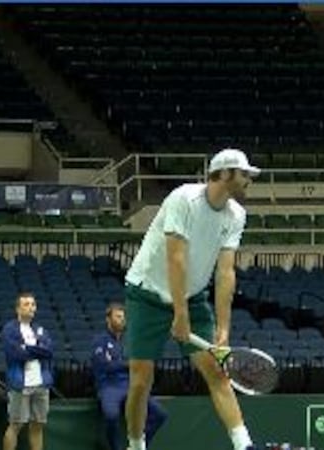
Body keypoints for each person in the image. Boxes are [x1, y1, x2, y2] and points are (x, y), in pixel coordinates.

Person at [124, 148, 260, 450]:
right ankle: (135, 444)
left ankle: (244, 446)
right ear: (225, 174)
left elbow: (225, 273)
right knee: (141, 380)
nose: (249, 179)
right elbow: (176, 259)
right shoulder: (183, 199)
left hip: (193, 296)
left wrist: (223, 329)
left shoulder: (236, 215)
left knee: (217, 371)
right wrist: (180, 314)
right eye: (244, 173)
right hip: (147, 294)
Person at [92, 303, 167, 450]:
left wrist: (126, 364)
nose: (122, 320)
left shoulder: (130, 340)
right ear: (108, 319)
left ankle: (136, 446)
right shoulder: (100, 340)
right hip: (109, 386)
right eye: (118, 316)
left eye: (123, 317)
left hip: (130, 384)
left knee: (160, 414)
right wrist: (129, 364)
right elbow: (105, 366)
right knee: (111, 415)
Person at [2, 292, 54, 450]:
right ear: (18, 309)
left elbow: (49, 351)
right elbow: (16, 354)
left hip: (41, 383)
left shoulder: (40, 329)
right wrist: (37, 350)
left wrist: (28, 348)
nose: (31, 308)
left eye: (33, 304)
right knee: (16, 425)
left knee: (38, 424)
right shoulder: (10, 329)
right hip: (20, 384)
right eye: (26, 304)